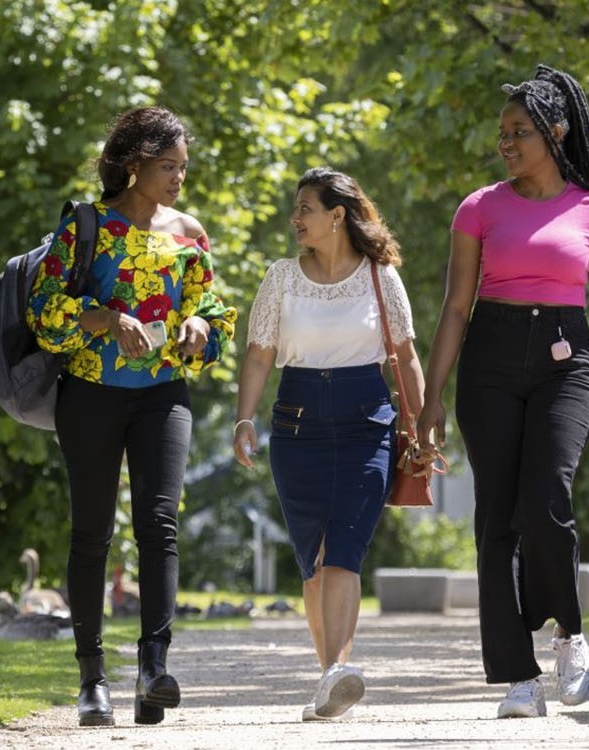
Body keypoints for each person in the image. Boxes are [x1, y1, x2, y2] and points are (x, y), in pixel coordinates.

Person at [415, 64, 589, 719]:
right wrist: (431, 399)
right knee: (496, 518)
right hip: (491, 360)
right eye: (502, 132)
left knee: (547, 500)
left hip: (569, 364)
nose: (506, 142)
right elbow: (455, 309)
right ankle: (518, 677)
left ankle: (569, 633)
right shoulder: (479, 207)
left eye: (520, 131)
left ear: (556, 131)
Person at [27, 106, 237, 727]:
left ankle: (153, 668)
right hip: (90, 393)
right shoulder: (85, 227)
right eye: (167, 167)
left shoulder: (189, 232)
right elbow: (45, 311)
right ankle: (92, 680)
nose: (178, 178)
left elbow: (216, 313)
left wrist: (201, 326)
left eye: (182, 167)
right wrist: (106, 319)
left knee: (160, 521)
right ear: (132, 164)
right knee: (92, 532)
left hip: (162, 394)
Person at [232, 167, 424, 722]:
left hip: (367, 421)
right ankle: (329, 678)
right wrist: (244, 419)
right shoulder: (281, 278)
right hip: (296, 426)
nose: (296, 220)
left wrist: (425, 423)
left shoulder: (380, 276)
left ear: (337, 215)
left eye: (305, 209)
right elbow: (260, 354)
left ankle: (337, 669)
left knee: (345, 549)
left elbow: (405, 355)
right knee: (313, 560)